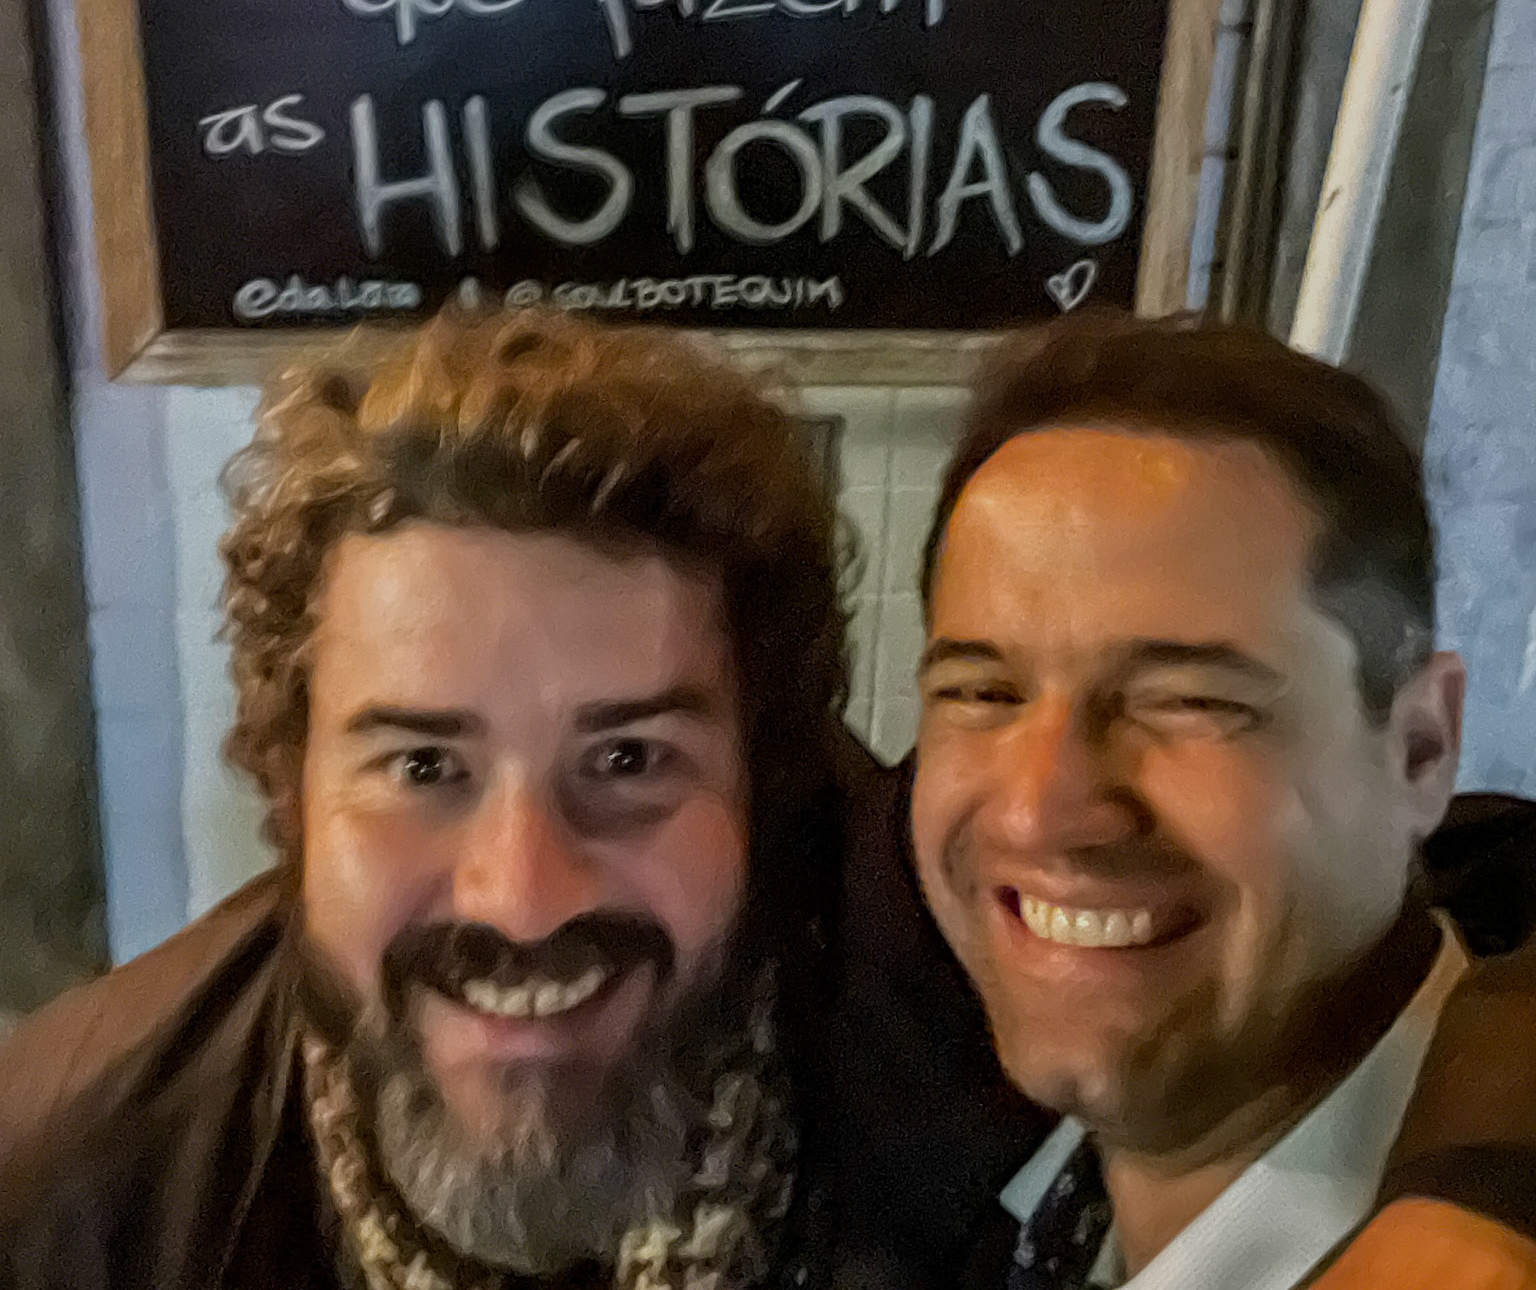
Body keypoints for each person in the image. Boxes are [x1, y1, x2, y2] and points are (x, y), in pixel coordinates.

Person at [0, 309, 1037, 1290]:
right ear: (294, 794)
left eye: (628, 758)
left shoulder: (1026, 1089)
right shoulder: (70, 1207)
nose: (524, 898)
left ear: (764, 789)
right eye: (423, 768)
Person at [909, 311, 1536, 1290]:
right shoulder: (949, 1171)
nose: (1039, 810)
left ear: (1420, 749)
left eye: (1189, 700)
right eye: (984, 692)